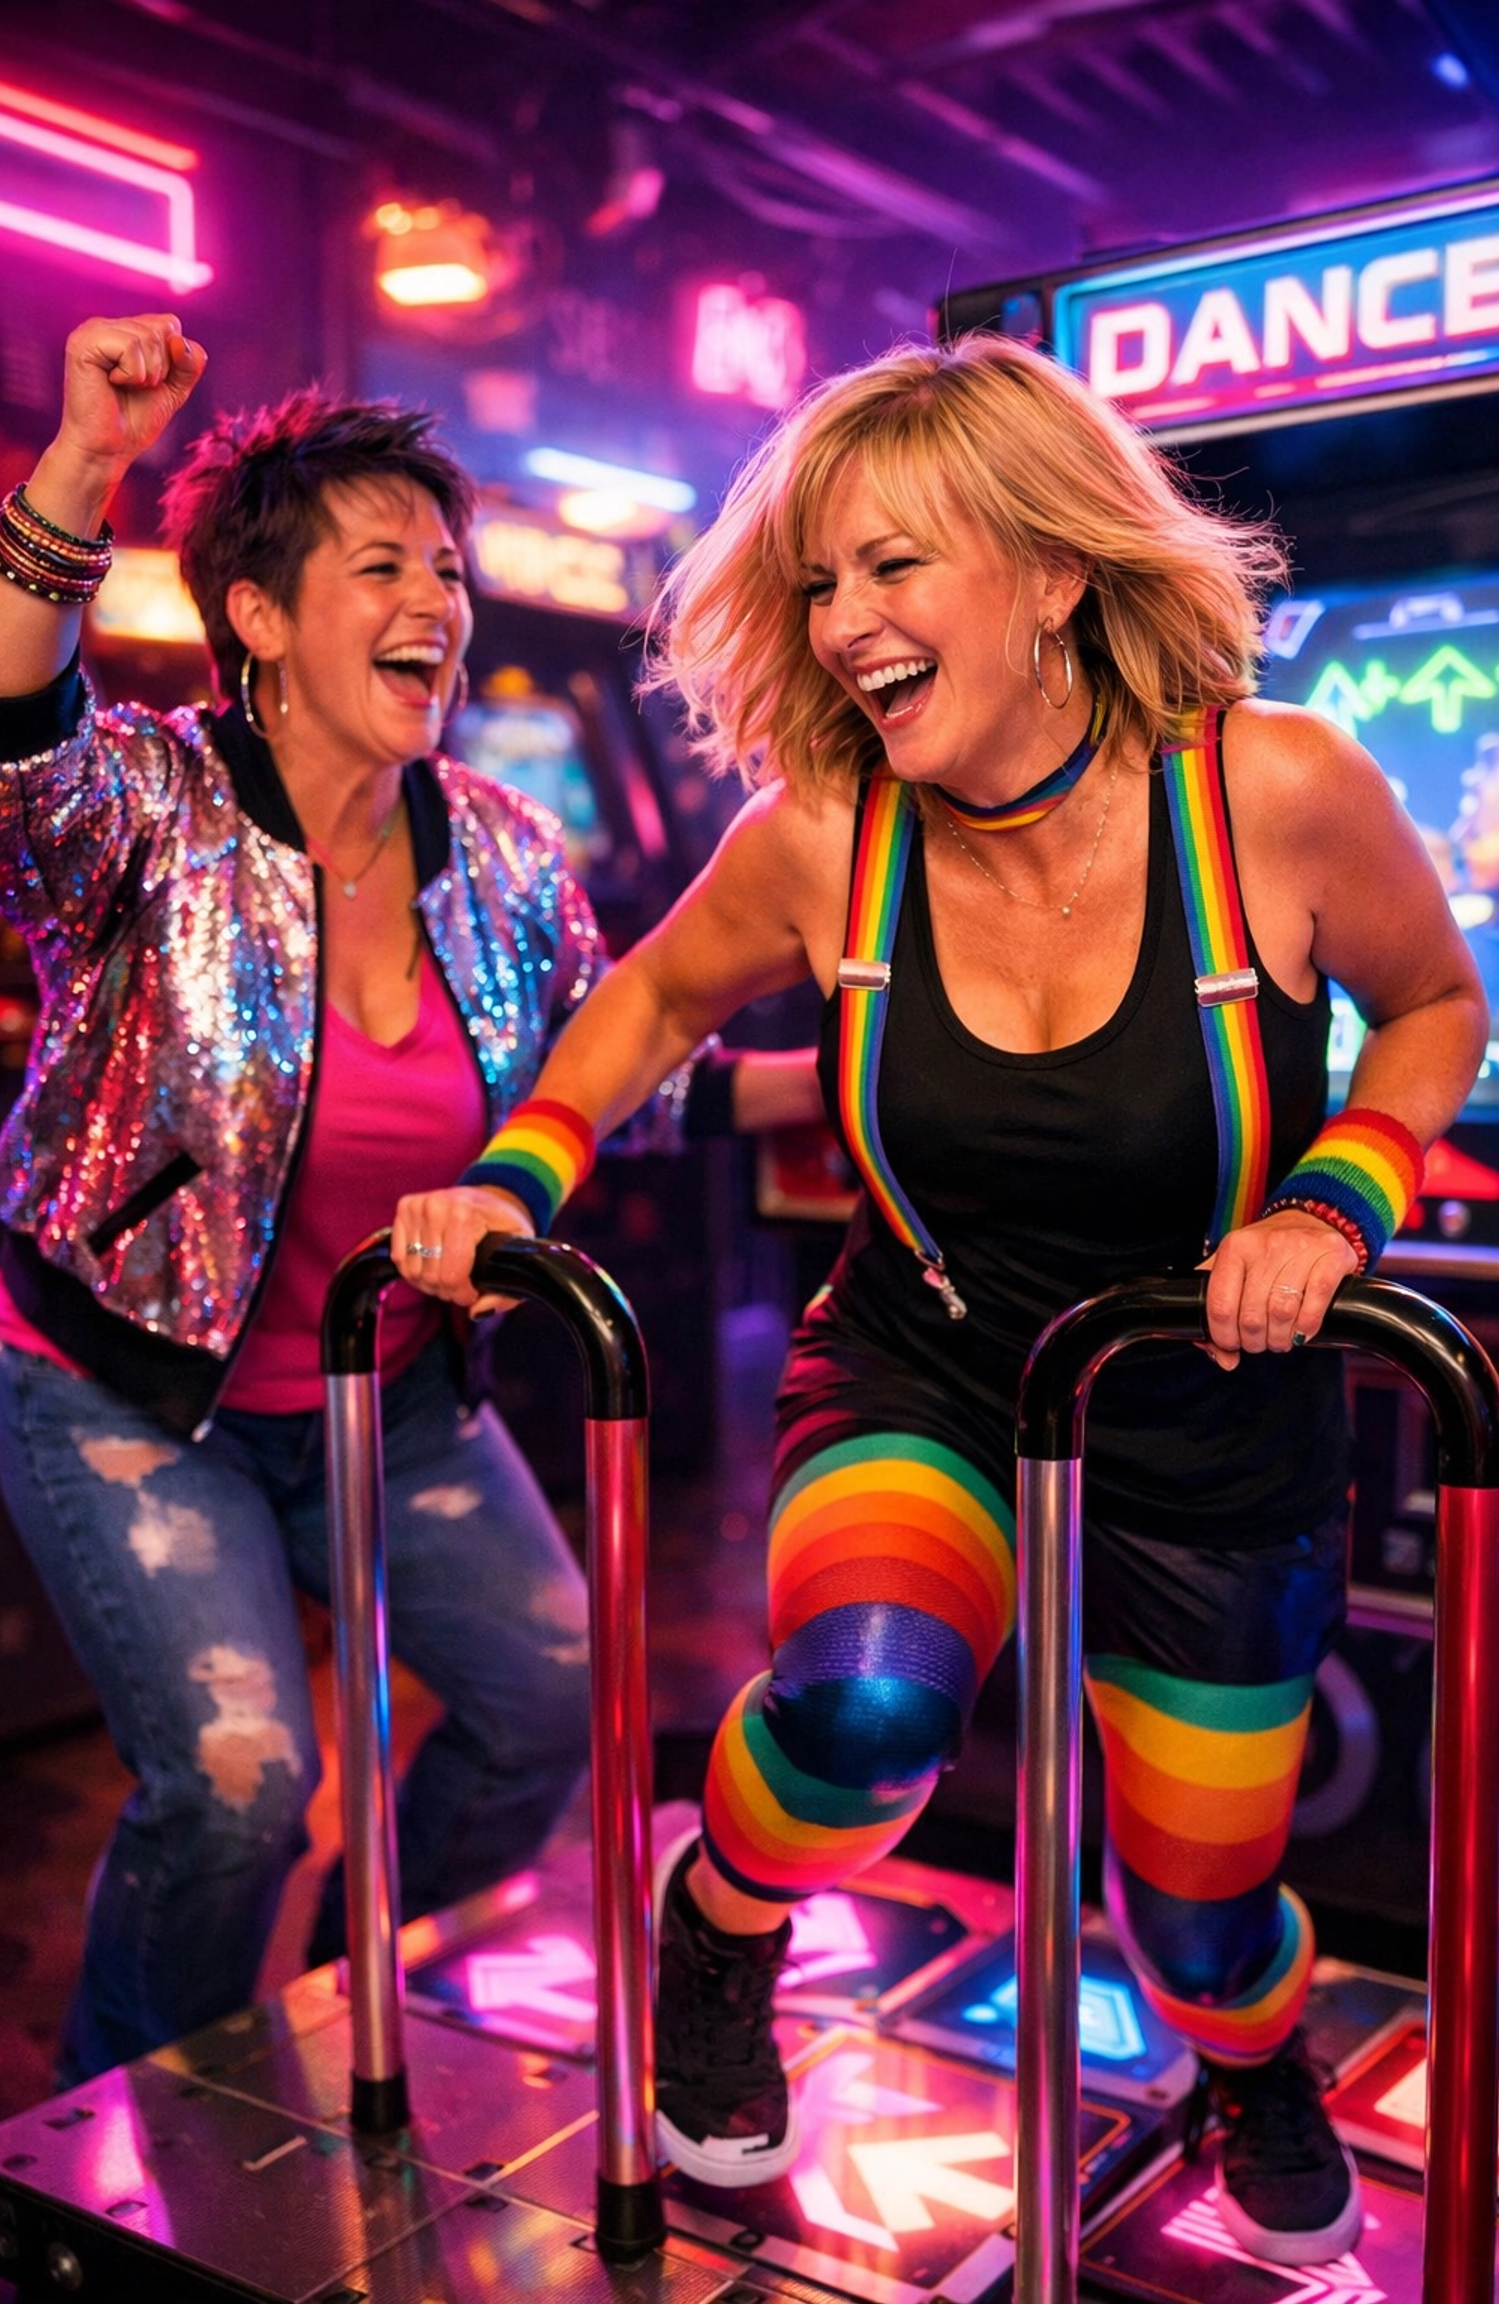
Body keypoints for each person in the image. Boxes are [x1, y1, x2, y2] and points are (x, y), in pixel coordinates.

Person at [394, 333, 1485, 2268]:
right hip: (930, 1360)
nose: (841, 624)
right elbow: (649, 997)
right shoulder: (827, 835)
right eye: (819, 581)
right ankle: (720, 1919)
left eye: (892, 568)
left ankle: (1250, 2056)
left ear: (1054, 573)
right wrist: (515, 1168)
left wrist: (1335, 1198)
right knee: (872, 1702)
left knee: (1206, 1918)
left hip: (1216, 1421)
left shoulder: (1277, 791)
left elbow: (1433, 1009)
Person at [0, 312, 802, 2086]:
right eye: (380, 566)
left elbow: (618, 1092)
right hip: (128, 1397)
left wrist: (894, 1083)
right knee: (245, 1783)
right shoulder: (149, 807)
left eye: (446, 563)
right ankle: (122, 2144)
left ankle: (376, 2001)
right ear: (259, 618)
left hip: (391, 1396)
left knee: (549, 1700)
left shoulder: (499, 846)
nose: (437, 597)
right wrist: (81, 461)